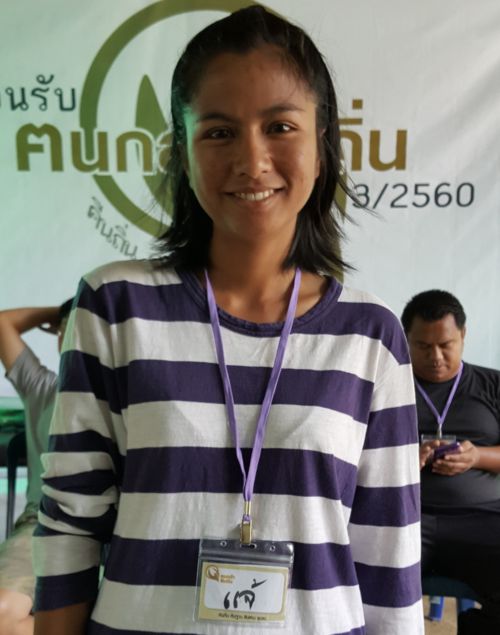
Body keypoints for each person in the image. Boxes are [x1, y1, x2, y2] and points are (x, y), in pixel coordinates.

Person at [33, 6, 423, 635]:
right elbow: (70, 523)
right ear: (181, 153)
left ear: (323, 145)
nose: (252, 159)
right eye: (218, 132)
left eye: (280, 126)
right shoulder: (115, 306)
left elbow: (389, 551)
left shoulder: (371, 334)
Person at [401, 289, 500, 635]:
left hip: (485, 518)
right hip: (404, 518)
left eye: (446, 345)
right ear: (405, 339)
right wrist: (402, 460)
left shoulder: (492, 385)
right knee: (364, 583)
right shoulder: (385, 386)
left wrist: (478, 456)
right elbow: (353, 453)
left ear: (463, 335)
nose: (436, 357)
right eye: (423, 346)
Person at [0, 299, 72, 635]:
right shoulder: (43, 389)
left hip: (116, 535)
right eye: (67, 330)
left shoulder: (128, 395)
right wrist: (58, 313)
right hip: (41, 525)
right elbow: (3, 323)